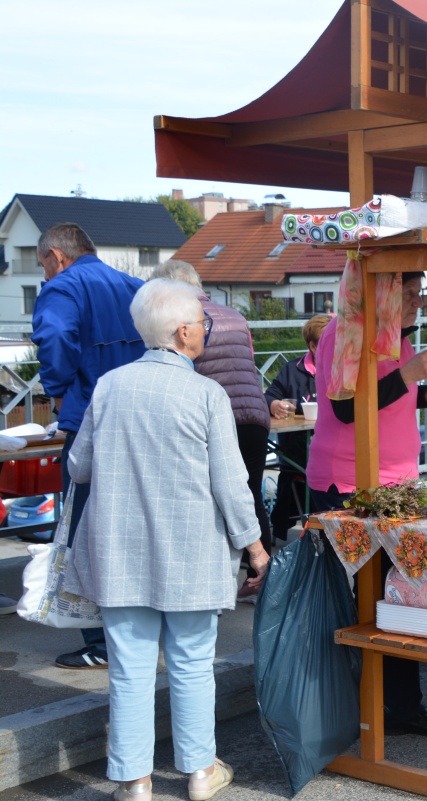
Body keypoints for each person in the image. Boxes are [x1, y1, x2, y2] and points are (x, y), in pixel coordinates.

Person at [63, 279, 269, 801]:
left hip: (120, 553)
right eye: (202, 323)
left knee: (129, 669)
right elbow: (230, 482)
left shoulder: (109, 386)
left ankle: (134, 781)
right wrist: (254, 545)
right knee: (192, 662)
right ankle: (200, 772)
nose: (205, 329)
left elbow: (79, 466)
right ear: (183, 332)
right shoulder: (206, 393)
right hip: (192, 554)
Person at [308, 271, 427, 736]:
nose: (419, 302)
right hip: (351, 484)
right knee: (371, 600)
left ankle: (398, 705)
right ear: (383, 295)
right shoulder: (345, 332)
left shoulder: (394, 335)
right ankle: (373, 708)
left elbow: (389, 396)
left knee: (398, 590)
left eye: (420, 293)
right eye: (409, 294)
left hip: (394, 484)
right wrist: (411, 376)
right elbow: (345, 408)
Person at [32, 222, 145, 671]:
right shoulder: (136, 285)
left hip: (91, 422)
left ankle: (99, 639)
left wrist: (58, 390)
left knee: (83, 530)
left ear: (57, 257)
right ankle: (136, 628)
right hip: (141, 420)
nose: (44, 276)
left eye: (43, 266)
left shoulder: (62, 288)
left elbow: (55, 337)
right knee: (135, 527)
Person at [152, 261, 272, 603]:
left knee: (211, 500)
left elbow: (185, 370)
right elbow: (248, 360)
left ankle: (214, 584)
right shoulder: (234, 315)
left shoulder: (181, 322)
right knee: (249, 494)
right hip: (254, 413)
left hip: (212, 416)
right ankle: (261, 576)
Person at [263, 314, 332, 544]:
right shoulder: (293, 370)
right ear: (312, 346)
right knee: (294, 470)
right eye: (328, 342)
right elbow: (269, 396)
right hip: (296, 454)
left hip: (332, 454)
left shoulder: (343, 370)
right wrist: (274, 405)